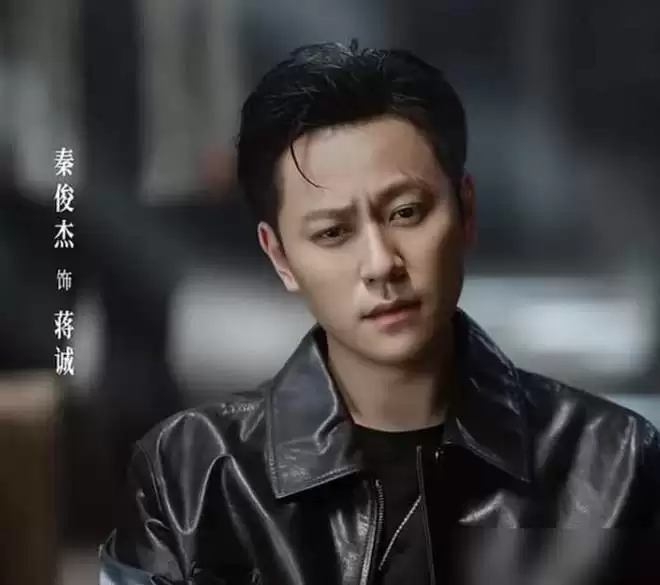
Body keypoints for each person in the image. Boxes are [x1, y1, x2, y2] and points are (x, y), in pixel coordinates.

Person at [99, 41, 660, 585]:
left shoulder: (614, 464)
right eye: (333, 232)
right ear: (281, 257)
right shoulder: (191, 474)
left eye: (407, 212)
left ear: (465, 212)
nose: (380, 263)